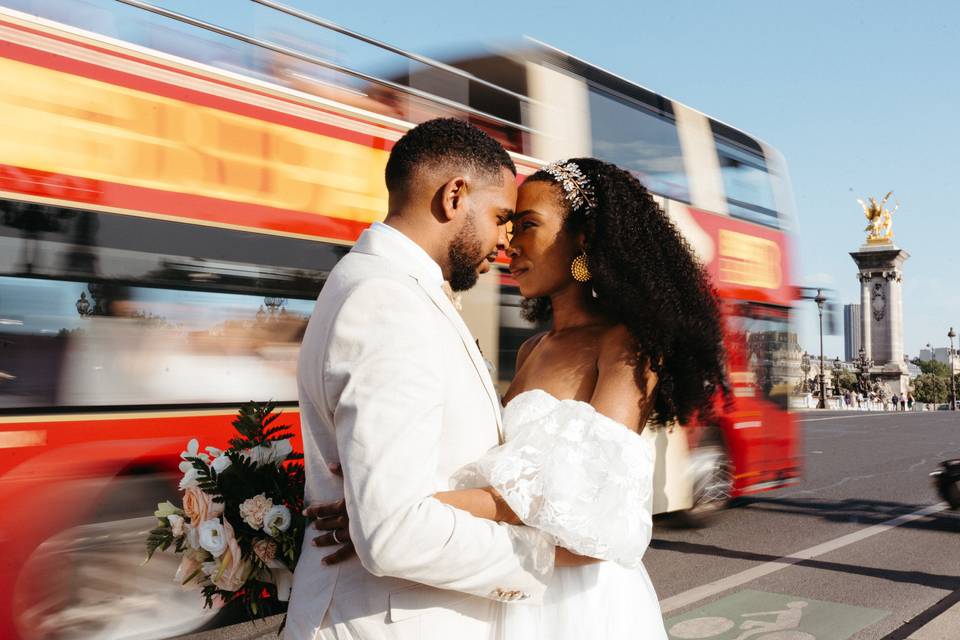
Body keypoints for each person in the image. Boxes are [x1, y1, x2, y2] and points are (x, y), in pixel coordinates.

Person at [309, 157, 727, 639]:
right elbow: (498, 468)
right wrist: (376, 499)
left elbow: (591, 499)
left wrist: (415, 509)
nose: (510, 243)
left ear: (584, 238)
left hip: (583, 605)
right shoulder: (532, 347)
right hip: (514, 591)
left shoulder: (628, 346)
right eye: (508, 225)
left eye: (527, 225)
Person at [285, 118, 557, 640]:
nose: (505, 240)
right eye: (501, 216)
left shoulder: (389, 285)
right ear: (455, 195)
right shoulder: (387, 300)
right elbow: (394, 533)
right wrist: (548, 556)